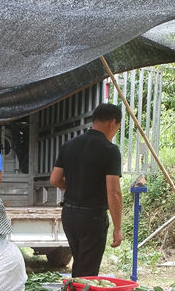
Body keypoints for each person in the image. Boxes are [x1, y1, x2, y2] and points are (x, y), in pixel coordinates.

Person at [49, 103, 124, 277]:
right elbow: (114, 193)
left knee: (80, 264)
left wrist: (75, 187)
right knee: (87, 272)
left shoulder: (69, 145)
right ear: (113, 122)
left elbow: (55, 179)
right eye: (118, 127)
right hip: (92, 218)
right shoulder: (110, 151)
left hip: (69, 215)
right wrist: (118, 228)